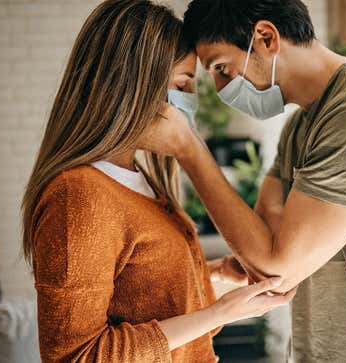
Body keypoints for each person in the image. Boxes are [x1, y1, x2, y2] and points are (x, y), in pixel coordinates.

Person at [154, 0, 346, 362]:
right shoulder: (302, 124)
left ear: (265, 37)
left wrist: (190, 149)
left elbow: (276, 265)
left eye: (223, 67)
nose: (222, 87)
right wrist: (257, 257)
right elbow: (263, 245)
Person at [20, 1, 295, 362]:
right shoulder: (80, 196)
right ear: (134, 87)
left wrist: (212, 275)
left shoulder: (138, 177)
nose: (191, 102)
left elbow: (139, 299)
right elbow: (77, 356)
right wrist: (221, 313)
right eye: (183, 84)